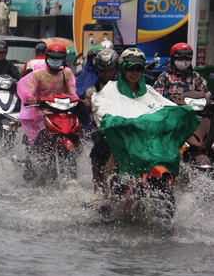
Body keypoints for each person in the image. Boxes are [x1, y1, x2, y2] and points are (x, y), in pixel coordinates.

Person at [90, 48, 199, 209]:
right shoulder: (110, 89)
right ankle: (105, 195)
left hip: (146, 136)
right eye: (131, 68)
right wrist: (110, 120)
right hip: (124, 135)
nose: (135, 72)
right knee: (114, 153)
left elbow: (166, 106)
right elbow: (100, 105)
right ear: (123, 68)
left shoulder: (149, 90)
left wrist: (182, 112)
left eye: (139, 69)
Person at [16, 43, 78, 179]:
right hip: (42, 112)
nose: (55, 60)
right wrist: (31, 98)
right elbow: (30, 92)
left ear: (64, 59)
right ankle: (33, 160)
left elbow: (72, 92)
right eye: (52, 57)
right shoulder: (38, 75)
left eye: (59, 58)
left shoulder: (67, 73)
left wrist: (78, 100)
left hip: (62, 112)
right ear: (46, 57)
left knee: (77, 130)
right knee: (40, 136)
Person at [84, 48, 119, 204]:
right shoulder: (91, 92)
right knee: (100, 146)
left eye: (110, 69)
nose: (106, 73)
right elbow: (95, 116)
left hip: (126, 126)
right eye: (103, 70)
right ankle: (98, 188)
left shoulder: (126, 87)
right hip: (101, 128)